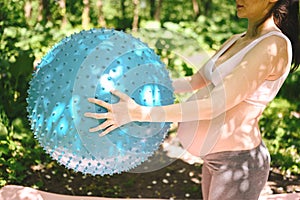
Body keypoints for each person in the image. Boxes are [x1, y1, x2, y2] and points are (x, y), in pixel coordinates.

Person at [85, 0, 300, 199]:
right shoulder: (237, 40)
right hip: (213, 159)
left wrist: (139, 113)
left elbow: (216, 104)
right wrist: (139, 84)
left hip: (237, 165)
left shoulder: (273, 45)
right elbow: (195, 81)